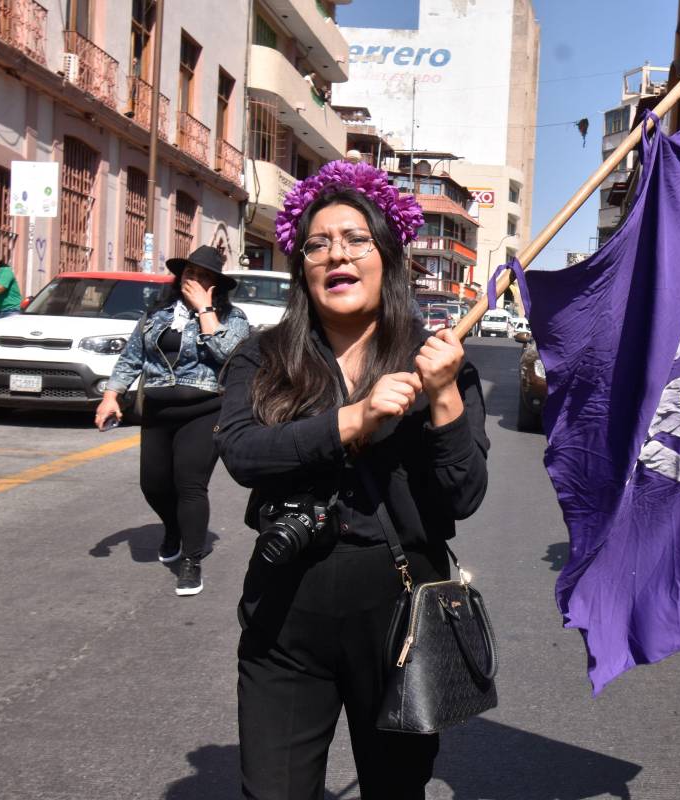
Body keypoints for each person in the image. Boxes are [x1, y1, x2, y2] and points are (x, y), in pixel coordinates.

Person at [214, 160, 489, 799]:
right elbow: (245, 454)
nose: (336, 254)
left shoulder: (435, 359)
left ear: (388, 258)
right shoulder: (265, 354)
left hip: (400, 620)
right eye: (318, 243)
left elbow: (464, 495)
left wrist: (444, 395)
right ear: (302, 267)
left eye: (356, 239)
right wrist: (352, 419)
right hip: (283, 613)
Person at [95, 245, 250, 596]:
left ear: (216, 286)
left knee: (189, 484)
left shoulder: (232, 317)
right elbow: (132, 357)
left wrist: (205, 311)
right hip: (158, 410)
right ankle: (173, 529)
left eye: (204, 277)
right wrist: (110, 396)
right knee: (153, 484)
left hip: (205, 410)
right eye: (190, 274)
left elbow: (232, 357)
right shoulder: (158, 314)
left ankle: (192, 562)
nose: (193, 281)